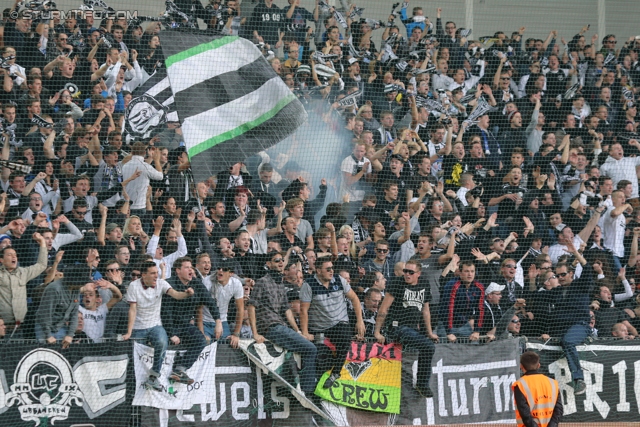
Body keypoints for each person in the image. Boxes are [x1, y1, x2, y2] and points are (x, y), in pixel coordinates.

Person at [248, 252, 318, 395]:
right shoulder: (262, 282)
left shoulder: (280, 283)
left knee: (310, 347)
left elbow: (286, 310)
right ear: (268, 264)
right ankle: (307, 390)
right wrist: (255, 333)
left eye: (282, 260)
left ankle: (302, 386)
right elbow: (251, 306)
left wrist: (298, 331)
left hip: (281, 327)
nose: (280, 262)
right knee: (310, 349)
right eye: (276, 260)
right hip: (272, 327)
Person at [122, 260, 197, 391]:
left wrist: (187, 294)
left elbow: (176, 295)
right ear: (143, 275)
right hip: (138, 327)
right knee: (136, 358)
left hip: (155, 325)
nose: (156, 276)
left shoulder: (161, 283)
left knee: (162, 342)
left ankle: (153, 376)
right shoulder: (134, 286)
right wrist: (129, 332)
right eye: (152, 273)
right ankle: (134, 386)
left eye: (157, 273)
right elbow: (132, 310)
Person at [374, 259, 437, 397]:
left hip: (414, 330)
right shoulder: (397, 283)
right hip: (397, 328)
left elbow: (426, 311)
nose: (407, 274)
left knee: (429, 346)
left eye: (411, 272)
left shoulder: (424, 284)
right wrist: (377, 331)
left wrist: (430, 332)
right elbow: (384, 309)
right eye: (405, 271)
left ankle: (421, 384)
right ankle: (422, 384)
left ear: (418, 274)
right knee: (429, 347)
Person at [300, 257, 365, 389]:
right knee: (319, 356)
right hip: (318, 327)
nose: (331, 271)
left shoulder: (340, 280)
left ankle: (336, 373)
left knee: (345, 338)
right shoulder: (308, 284)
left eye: (332, 268)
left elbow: (355, 299)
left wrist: (360, 321)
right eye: (327, 269)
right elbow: (303, 311)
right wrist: (305, 332)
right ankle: (312, 388)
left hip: (339, 323)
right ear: (318, 270)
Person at [512, 351, 563, 427]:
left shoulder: (520, 384)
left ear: (521, 366)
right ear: (538, 365)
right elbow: (559, 410)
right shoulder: (553, 383)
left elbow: (525, 413)